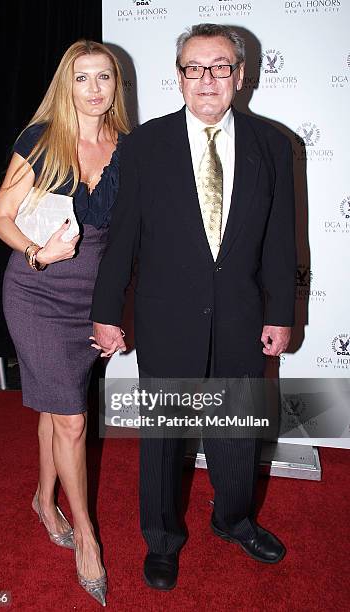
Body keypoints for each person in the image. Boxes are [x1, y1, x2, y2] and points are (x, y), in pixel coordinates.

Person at [90, 24, 296, 590]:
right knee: (163, 438)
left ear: (241, 75)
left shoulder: (273, 146)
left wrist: (281, 312)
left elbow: (280, 240)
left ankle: (233, 519)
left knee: (235, 430)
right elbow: (123, 237)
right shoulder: (144, 145)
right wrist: (106, 313)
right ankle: (161, 539)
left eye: (220, 66)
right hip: (165, 316)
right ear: (178, 77)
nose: (207, 79)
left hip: (240, 316)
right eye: (194, 68)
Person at [0, 40, 130, 607]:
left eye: (104, 77)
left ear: (117, 86)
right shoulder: (42, 141)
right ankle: (86, 539)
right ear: (65, 86)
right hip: (36, 291)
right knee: (72, 417)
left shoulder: (128, 146)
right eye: (82, 78)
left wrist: (116, 308)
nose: (94, 89)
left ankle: (44, 501)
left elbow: (128, 239)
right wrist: (36, 253)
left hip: (91, 298)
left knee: (58, 405)